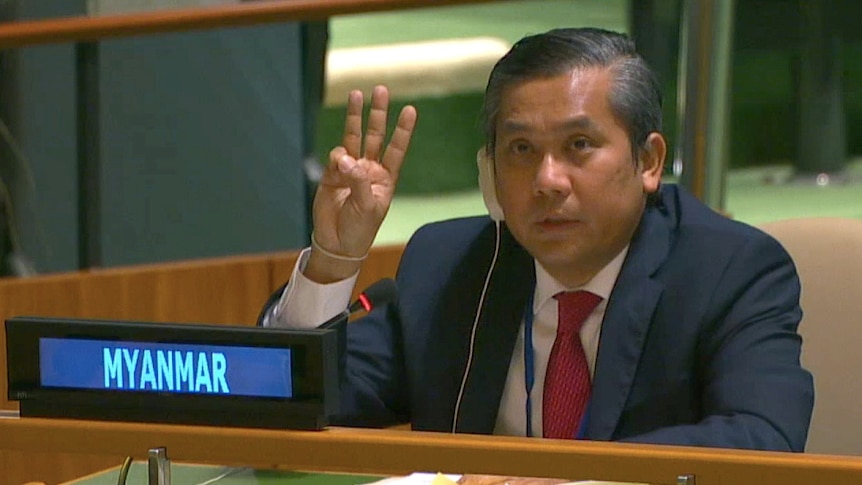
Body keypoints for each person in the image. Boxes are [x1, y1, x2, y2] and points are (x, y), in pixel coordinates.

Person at [260, 27, 814, 451]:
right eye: (521, 150)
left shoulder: (729, 270)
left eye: (578, 145)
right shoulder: (451, 265)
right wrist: (334, 258)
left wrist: (564, 482)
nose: (547, 181)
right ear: (490, 169)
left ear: (649, 161)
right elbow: (303, 399)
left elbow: (762, 436)